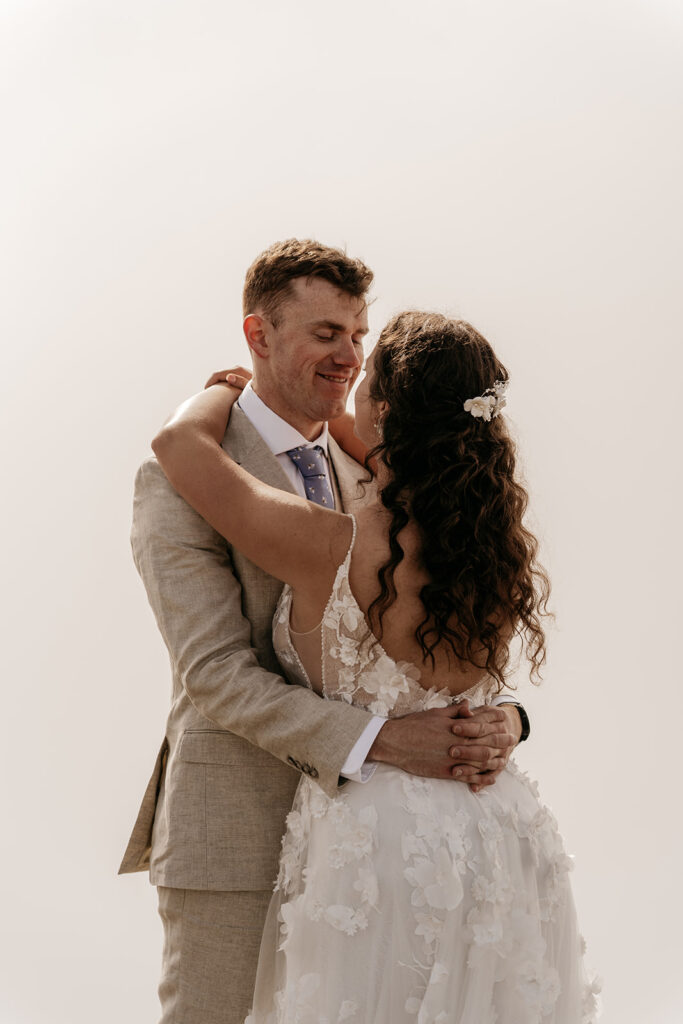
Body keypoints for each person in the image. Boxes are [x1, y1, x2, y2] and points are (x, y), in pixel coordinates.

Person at [119, 240, 528, 1024]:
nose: (347, 355)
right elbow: (215, 673)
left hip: (385, 849)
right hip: (239, 835)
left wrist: (509, 719)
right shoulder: (178, 480)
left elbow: (444, 647)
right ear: (258, 334)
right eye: (324, 333)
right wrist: (378, 740)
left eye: (356, 335)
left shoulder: (381, 474)